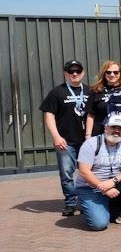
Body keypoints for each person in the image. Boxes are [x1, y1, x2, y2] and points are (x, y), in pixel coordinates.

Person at [75, 113, 121, 230]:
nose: (117, 131)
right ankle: (87, 203)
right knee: (99, 225)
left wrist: (113, 181)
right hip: (90, 187)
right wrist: (103, 188)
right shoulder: (91, 144)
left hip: (113, 183)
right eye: (113, 127)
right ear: (105, 127)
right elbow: (84, 171)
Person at [40, 60, 89, 216]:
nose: (74, 73)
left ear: (83, 73)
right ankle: (70, 203)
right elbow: (49, 115)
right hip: (65, 141)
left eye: (77, 70)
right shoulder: (57, 92)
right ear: (65, 73)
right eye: (70, 71)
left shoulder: (90, 91)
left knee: (88, 173)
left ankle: (86, 201)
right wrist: (56, 136)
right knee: (67, 173)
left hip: (87, 141)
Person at [85, 60, 121, 140]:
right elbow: (90, 115)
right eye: (108, 72)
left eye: (115, 72)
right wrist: (88, 135)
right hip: (102, 135)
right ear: (104, 74)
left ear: (120, 74)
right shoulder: (96, 91)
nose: (112, 75)